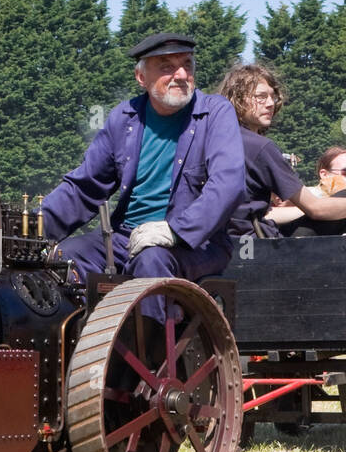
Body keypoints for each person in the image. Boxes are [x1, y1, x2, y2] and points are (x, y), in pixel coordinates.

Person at [42, 32, 245, 284]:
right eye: (167, 67)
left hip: (196, 244)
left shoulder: (216, 112)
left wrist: (176, 231)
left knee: (151, 260)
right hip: (125, 238)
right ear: (141, 77)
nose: (181, 75)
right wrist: (33, 231)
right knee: (61, 258)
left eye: (187, 65)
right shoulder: (123, 117)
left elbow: (229, 183)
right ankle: (81, 323)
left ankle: (153, 324)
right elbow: (84, 188)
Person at [217, 64, 346, 238]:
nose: (270, 103)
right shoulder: (260, 147)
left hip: (227, 243)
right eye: (261, 97)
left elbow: (262, 213)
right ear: (238, 99)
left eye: (272, 97)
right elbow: (316, 209)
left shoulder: (218, 138)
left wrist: (302, 210)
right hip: (258, 247)